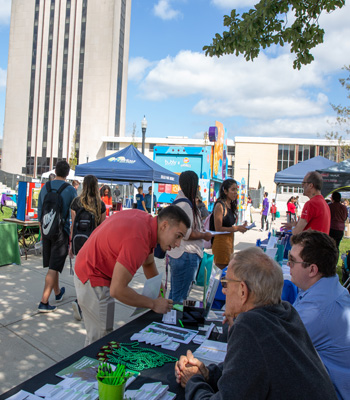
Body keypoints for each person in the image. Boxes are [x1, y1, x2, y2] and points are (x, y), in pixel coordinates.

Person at [175, 247, 338, 400]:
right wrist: (207, 374)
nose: (223, 290)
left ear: (243, 291)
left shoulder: (250, 326)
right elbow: (247, 371)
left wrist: (193, 380)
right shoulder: (285, 312)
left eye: (226, 282)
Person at [74, 205, 190, 345]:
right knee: (100, 339)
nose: (178, 244)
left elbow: (148, 264)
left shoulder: (149, 225)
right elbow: (117, 290)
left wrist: (160, 294)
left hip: (96, 268)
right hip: (91, 274)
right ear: (164, 226)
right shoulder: (139, 238)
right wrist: (153, 304)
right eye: (178, 236)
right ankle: (92, 367)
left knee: (102, 335)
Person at [290, 230, 350, 399]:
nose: (288, 265)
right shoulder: (328, 289)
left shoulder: (316, 309)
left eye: (292, 261)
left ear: (312, 270)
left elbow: (274, 349)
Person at [37, 161, 77, 312]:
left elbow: (40, 212)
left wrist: (42, 234)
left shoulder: (45, 188)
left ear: (55, 170)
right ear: (67, 174)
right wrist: (72, 236)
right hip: (62, 232)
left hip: (47, 231)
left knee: (52, 265)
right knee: (54, 267)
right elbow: (74, 215)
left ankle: (58, 293)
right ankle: (44, 302)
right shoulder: (70, 190)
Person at [168, 171, 212, 302]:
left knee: (177, 293)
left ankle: (171, 318)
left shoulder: (185, 202)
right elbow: (185, 233)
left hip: (184, 254)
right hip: (186, 254)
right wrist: (204, 235)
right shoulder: (184, 204)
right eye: (196, 184)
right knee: (179, 296)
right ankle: (174, 320)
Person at [69, 175, 107, 320]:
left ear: (84, 185)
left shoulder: (76, 202)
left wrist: (71, 245)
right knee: (92, 275)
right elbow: (102, 228)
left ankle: (80, 301)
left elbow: (73, 225)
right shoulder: (100, 204)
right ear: (96, 186)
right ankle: (84, 304)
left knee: (80, 275)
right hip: (93, 245)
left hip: (79, 243)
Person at [211, 179, 247, 270]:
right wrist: (237, 228)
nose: (235, 192)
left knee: (227, 271)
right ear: (225, 191)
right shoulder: (220, 205)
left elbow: (230, 226)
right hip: (221, 244)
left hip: (229, 243)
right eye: (233, 190)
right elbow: (218, 228)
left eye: (236, 189)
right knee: (222, 272)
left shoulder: (231, 205)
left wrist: (241, 227)